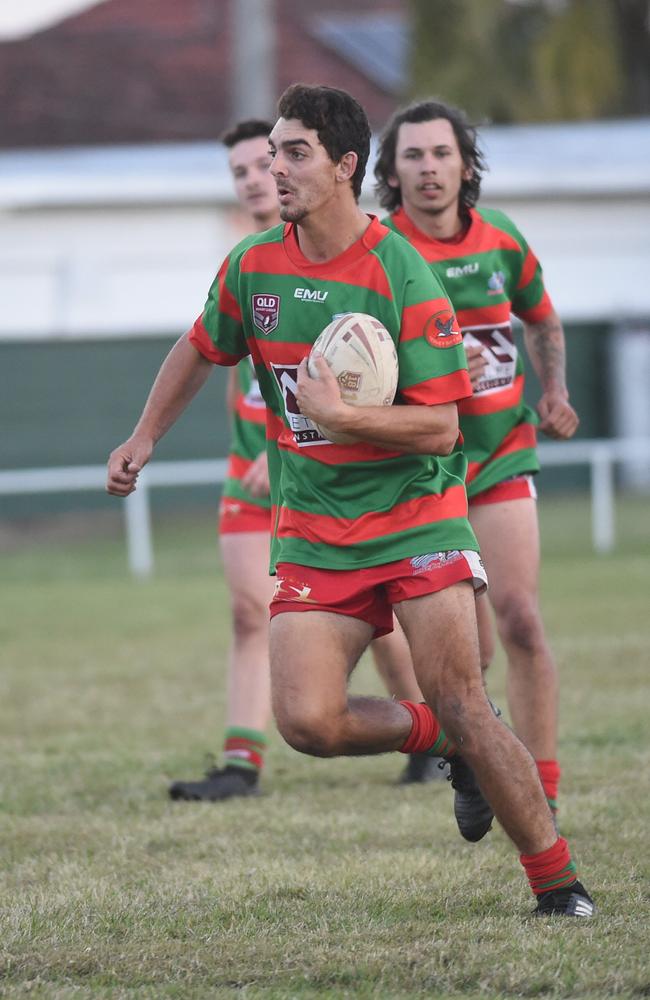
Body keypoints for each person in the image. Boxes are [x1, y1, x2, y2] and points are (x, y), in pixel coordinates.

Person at [107, 84, 593, 916]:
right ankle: (443, 739)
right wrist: (143, 436)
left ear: (344, 167)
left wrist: (342, 415)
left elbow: (442, 429)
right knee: (308, 723)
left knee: (469, 697)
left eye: (294, 153)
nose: (275, 168)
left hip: (416, 517)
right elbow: (199, 346)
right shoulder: (253, 264)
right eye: (272, 154)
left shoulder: (400, 268)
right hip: (314, 532)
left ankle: (559, 885)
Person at [374, 99, 580, 820]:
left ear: (465, 164)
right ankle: (470, 757)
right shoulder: (380, 252)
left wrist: (553, 389)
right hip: (425, 472)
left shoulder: (500, 240)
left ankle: (542, 788)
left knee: (520, 617)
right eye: (413, 156)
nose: (429, 169)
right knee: (471, 652)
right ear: (392, 174)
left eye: (441, 153)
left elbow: (542, 315)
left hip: (500, 455)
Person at [168, 119, 280, 802]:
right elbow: (213, 352)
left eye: (264, 162)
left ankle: (430, 738)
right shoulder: (241, 258)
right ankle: (241, 766)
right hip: (248, 468)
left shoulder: (328, 253)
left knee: (366, 617)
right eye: (239, 171)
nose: (253, 179)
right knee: (249, 614)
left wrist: (283, 442)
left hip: (315, 465)